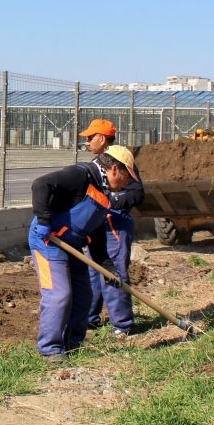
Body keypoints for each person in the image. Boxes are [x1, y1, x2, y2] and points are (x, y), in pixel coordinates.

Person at [27, 148, 134, 362]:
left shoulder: (103, 194)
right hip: (48, 241)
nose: (127, 183)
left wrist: (106, 265)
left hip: (73, 245)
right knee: (59, 294)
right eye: (126, 177)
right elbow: (41, 184)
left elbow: (95, 233)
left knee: (83, 296)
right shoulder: (81, 175)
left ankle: (73, 344)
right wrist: (44, 220)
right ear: (115, 169)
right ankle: (50, 349)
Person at [78, 121, 146, 337]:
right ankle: (90, 318)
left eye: (91, 137)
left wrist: (108, 200)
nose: (87, 142)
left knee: (113, 272)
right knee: (93, 270)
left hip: (114, 224)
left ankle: (124, 325)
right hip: (97, 223)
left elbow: (137, 194)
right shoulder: (97, 163)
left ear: (103, 138)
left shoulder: (121, 162)